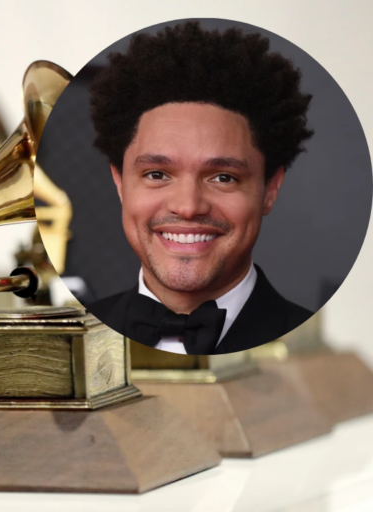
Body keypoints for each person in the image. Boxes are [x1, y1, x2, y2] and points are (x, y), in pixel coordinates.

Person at [87, 21, 314, 355]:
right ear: (120, 182)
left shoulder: (314, 354)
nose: (188, 206)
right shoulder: (73, 338)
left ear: (270, 188)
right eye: (156, 174)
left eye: (223, 177)